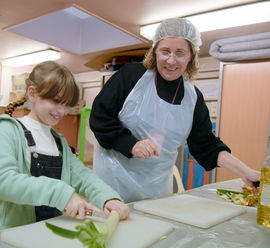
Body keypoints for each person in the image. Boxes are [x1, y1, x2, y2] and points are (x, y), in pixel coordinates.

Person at [90, 18, 260, 203]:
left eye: (180, 53)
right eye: (165, 51)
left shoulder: (193, 98)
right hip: (112, 188)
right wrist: (131, 144)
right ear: (155, 52)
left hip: (155, 193)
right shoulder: (131, 76)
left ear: (191, 57)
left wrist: (246, 171)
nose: (171, 60)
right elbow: (100, 118)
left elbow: (206, 145)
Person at [0, 61, 129, 230]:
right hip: (16, 235)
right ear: (32, 94)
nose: (61, 111)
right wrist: (60, 193)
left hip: (51, 230)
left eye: (67, 104)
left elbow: (84, 177)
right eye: (56, 101)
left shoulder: (58, 141)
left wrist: (108, 198)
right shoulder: (7, 130)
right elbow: (5, 182)